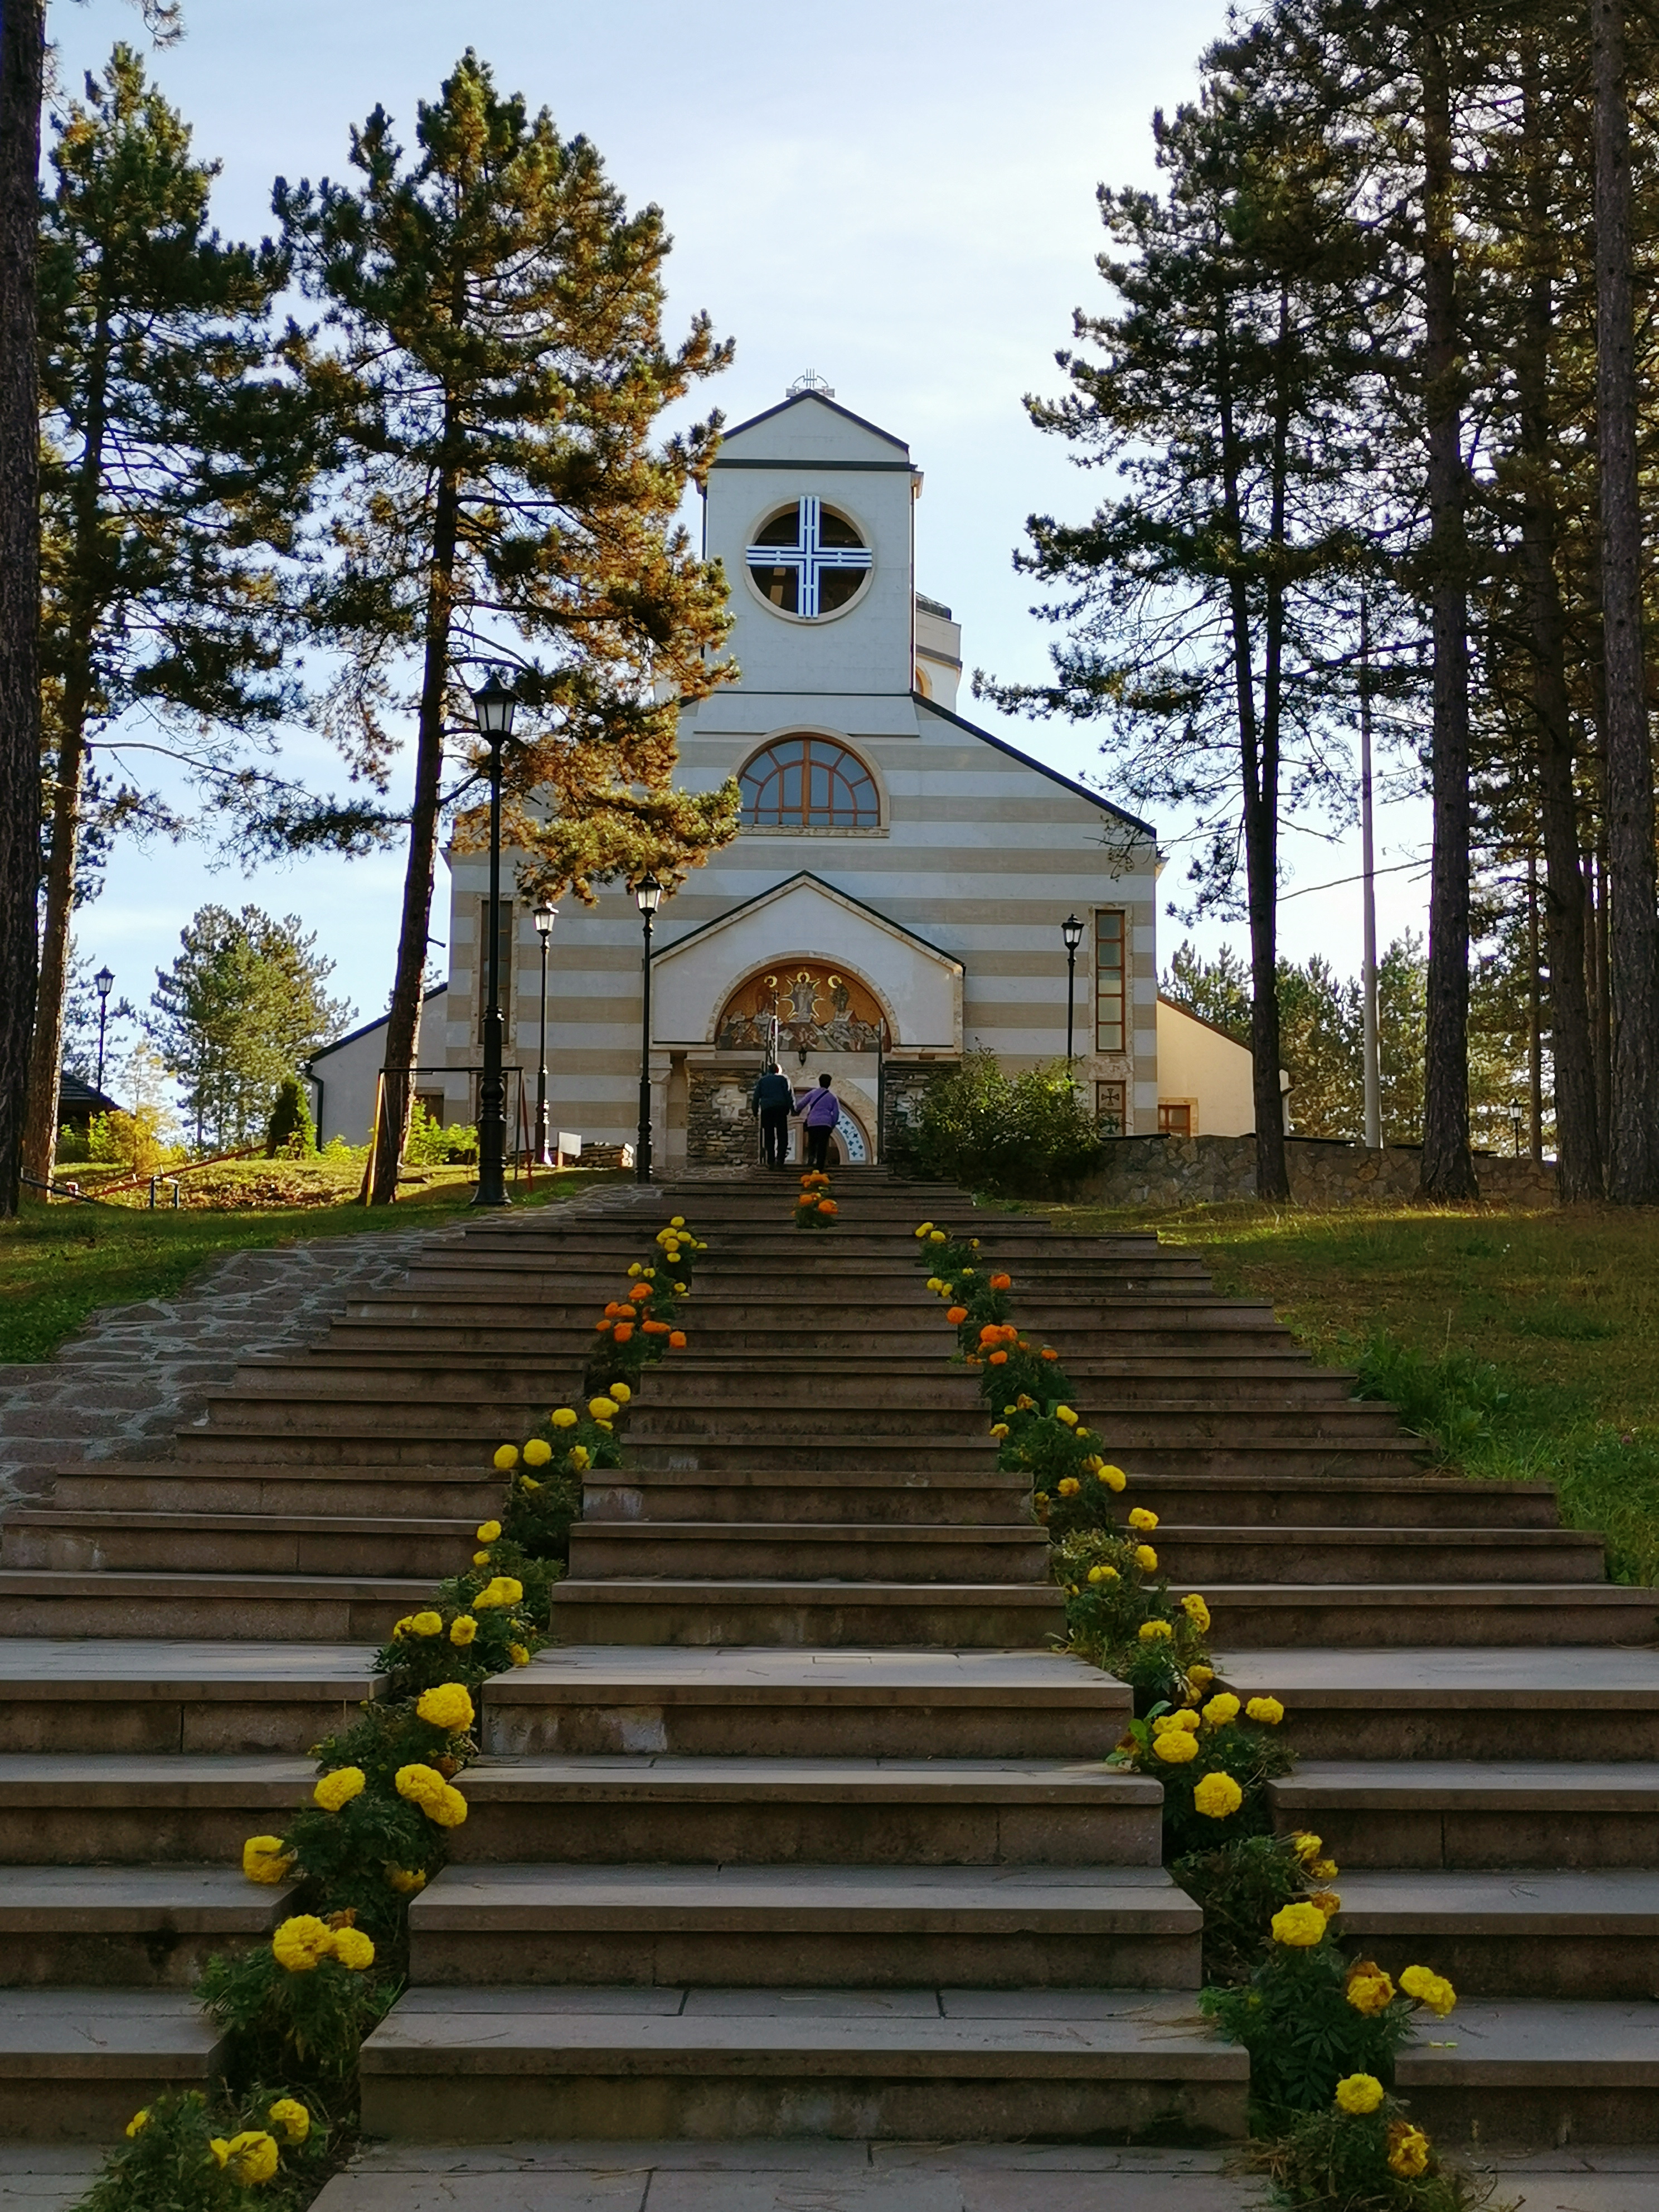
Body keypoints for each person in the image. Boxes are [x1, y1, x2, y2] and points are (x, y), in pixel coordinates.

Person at [750, 1060, 794, 1169]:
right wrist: (792, 1109)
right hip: (780, 1109)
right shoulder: (783, 1079)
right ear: (778, 1070)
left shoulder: (763, 1081)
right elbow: (789, 1095)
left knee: (769, 1135)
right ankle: (780, 1160)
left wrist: (755, 1111)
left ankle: (770, 1161)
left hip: (767, 1109)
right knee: (782, 1135)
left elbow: (756, 1097)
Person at [797, 1071, 841, 1171]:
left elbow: (802, 1103)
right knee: (822, 1145)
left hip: (813, 1122)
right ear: (829, 1084)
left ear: (820, 1082)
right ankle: (820, 1165)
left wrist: (796, 1110)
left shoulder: (813, 1093)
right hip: (825, 1123)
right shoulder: (833, 1097)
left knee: (812, 1142)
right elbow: (836, 1113)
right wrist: (832, 1125)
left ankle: (811, 1159)